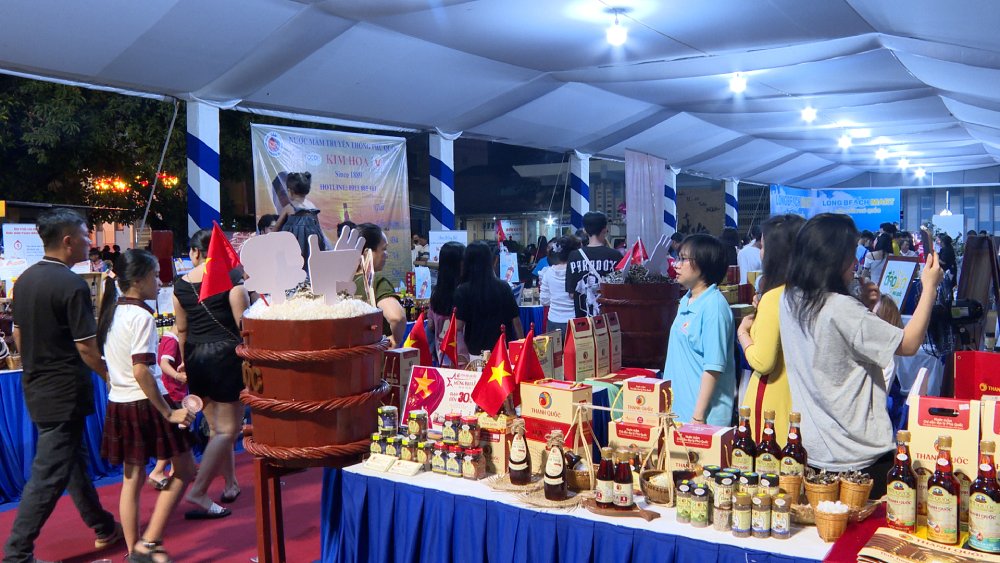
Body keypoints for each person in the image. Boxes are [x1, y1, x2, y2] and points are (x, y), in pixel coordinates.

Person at [779, 213, 942, 498]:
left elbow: (833, 340)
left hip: (815, 452)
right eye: (849, 255)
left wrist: (860, 305)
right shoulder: (842, 309)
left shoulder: (789, 299)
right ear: (833, 259)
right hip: (861, 457)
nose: (855, 262)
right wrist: (929, 287)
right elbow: (910, 343)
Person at [4, 209, 123, 563]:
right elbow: (86, 348)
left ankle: (102, 525)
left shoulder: (24, 280)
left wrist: (38, 368)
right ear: (68, 241)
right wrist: (110, 376)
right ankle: (17, 553)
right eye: (87, 235)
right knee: (49, 474)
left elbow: (18, 335)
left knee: (72, 464)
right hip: (64, 392)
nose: (92, 242)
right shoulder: (71, 285)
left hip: (38, 388)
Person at [97, 249, 196, 562]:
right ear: (138, 280)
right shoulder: (140, 316)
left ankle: (134, 551)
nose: (159, 281)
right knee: (185, 469)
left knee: (132, 479)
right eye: (154, 275)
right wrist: (168, 411)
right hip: (146, 403)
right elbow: (141, 370)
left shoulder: (113, 310)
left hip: (121, 403)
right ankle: (148, 543)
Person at [173, 229, 249, 520]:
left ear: (195, 253)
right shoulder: (233, 282)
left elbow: (181, 330)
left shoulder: (180, 285)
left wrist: (185, 361)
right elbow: (244, 328)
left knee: (218, 429)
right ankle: (199, 490)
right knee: (229, 430)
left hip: (195, 356)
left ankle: (230, 484)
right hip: (225, 357)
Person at [736, 214, 805, 443]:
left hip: (770, 401)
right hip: (798, 398)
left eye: (763, 246)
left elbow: (763, 361)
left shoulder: (775, 297)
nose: (761, 252)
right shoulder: (806, 292)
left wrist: (743, 334)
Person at [664, 234, 736, 426]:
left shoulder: (714, 307)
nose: (676, 264)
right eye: (677, 258)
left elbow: (713, 367)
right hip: (678, 412)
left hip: (703, 419)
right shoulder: (687, 299)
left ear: (704, 264)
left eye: (683, 259)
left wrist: (698, 417)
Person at [454, 241, 523, 355]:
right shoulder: (504, 287)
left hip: (475, 352)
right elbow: (516, 321)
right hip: (503, 351)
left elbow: (458, 327)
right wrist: (521, 346)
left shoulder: (462, 290)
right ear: (489, 261)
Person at [353, 223, 406, 347]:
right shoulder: (376, 282)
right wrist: (394, 341)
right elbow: (397, 318)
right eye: (384, 249)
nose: (386, 254)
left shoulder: (341, 282)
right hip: (375, 359)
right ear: (367, 253)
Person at [148, 325, 186, 491]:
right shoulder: (172, 340)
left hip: (173, 392)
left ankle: (174, 468)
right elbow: (164, 363)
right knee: (176, 435)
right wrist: (178, 376)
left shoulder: (169, 338)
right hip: (173, 392)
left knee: (177, 434)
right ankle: (157, 471)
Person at [565, 212, 622, 318]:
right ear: (605, 229)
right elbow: (620, 292)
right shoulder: (615, 256)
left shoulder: (574, 256)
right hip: (609, 320)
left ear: (585, 230)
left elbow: (572, 294)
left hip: (583, 324)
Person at [427, 241, 467, 367]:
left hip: (442, 356)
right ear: (458, 264)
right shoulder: (464, 293)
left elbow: (431, 325)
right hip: (464, 359)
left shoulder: (436, 294)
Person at [274, 172, 328, 262]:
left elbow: (276, 227)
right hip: (311, 244)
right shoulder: (312, 206)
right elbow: (317, 227)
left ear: (289, 191)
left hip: (293, 244)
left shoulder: (289, 208)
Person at [539, 236, 581, 328]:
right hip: (574, 321)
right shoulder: (577, 271)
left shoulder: (548, 272)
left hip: (553, 321)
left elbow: (544, 300)